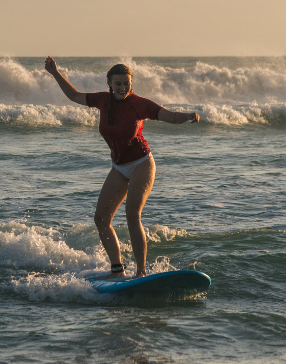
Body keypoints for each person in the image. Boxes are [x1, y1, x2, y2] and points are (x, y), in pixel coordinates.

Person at [45, 57, 200, 279]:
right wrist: (55, 73)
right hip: (118, 167)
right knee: (101, 218)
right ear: (109, 83)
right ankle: (117, 269)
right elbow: (74, 95)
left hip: (141, 164)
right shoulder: (102, 101)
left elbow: (169, 116)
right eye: (118, 83)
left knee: (131, 214)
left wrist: (187, 116)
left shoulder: (139, 104)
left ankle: (141, 272)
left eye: (126, 83)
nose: (122, 87)